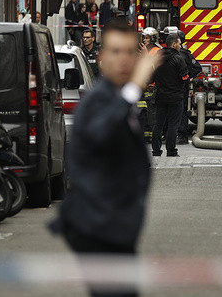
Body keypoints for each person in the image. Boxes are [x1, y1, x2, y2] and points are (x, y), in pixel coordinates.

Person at [50, 18, 158, 297]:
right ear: (101, 58)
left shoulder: (117, 97)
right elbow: (102, 132)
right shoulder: (100, 99)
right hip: (97, 224)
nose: (122, 59)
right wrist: (135, 87)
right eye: (114, 51)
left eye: (128, 52)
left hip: (115, 224)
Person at [151, 33, 189, 157]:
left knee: (158, 123)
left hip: (160, 96)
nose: (180, 45)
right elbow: (185, 77)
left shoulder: (157, 58)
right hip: (175, 97)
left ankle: (156, 150)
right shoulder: (179, 59)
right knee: (173, 125)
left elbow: (150, 77)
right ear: (173, 44)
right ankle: (171, 151)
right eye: (179, 43)